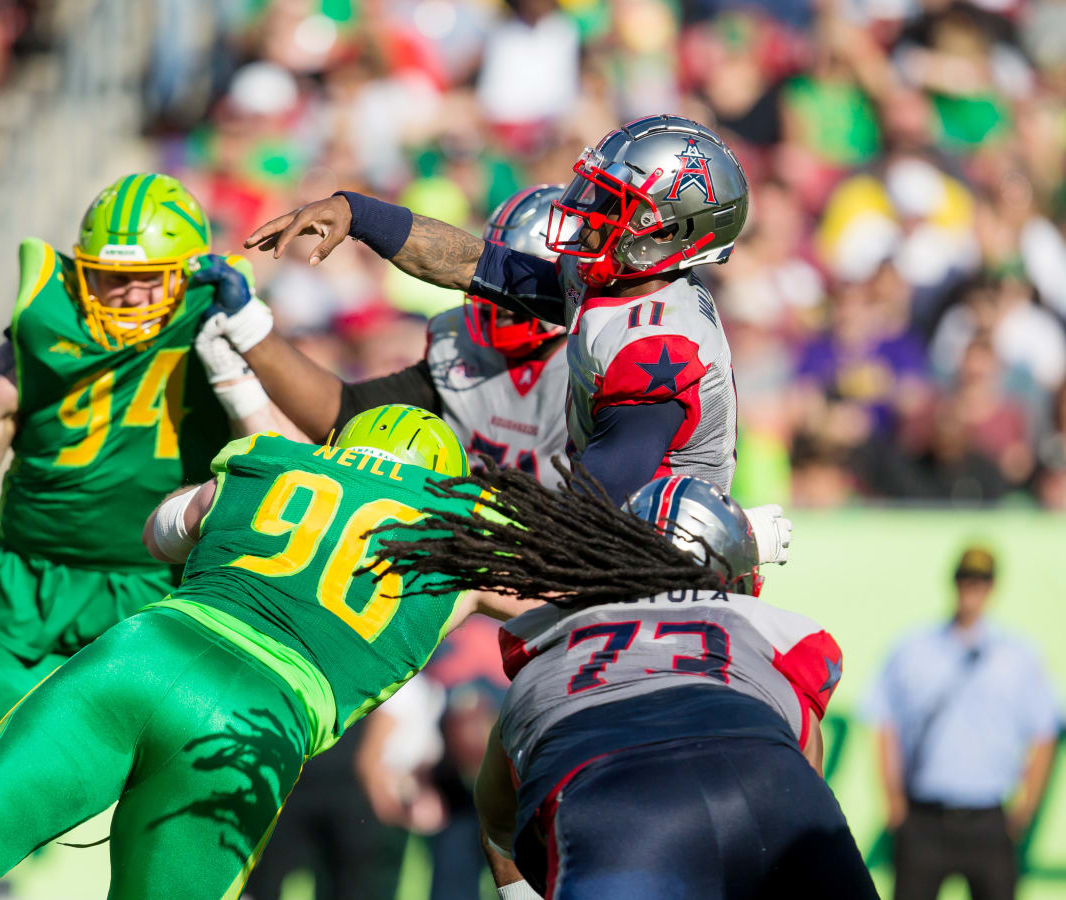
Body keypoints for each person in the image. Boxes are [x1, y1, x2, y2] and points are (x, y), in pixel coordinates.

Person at [0, 405, 536, 900]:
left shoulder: (274, 459)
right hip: (254, 724)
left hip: (141, 655)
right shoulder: (468, 533)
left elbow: (164, 530)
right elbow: (573, 607)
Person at [0, 172, 279, 764]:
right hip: (26, 590)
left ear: (188, 277)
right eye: (113, 278)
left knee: (170, 802)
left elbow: (284, 467)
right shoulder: (33, 346)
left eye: (148, 278)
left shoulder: (223, 334)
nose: (130, 296)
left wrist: (240, 370)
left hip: (161, 590)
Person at [369, 462, 878, 900]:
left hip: (617, 806)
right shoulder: (773, 630)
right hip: (767, 782)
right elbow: (802, 765)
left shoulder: (546, 645)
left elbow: (499, 824)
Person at [240, 114, 750, 502]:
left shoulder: (657, 347)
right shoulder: (618, 284)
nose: (591, 209)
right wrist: (357, 213)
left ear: (668, 229)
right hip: (608, 549)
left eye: (615, 202)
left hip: (657, 579)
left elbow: (597, 505)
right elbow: (473, 264)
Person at [216, 183, 572, 488]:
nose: (501, 299)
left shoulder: (593, 360)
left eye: (520, 280)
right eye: (498, 281)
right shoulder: (463, 341)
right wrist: (250, 330)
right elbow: (346, 414)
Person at [861, 546, 1060, 900]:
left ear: (992, 587)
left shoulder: (1017, 655)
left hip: (988, 818)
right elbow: (882, 721)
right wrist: (893, 800)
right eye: (967, 580)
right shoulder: (914, 648)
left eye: (981, 582)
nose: (973, 590)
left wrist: (1026, 808)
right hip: (925, 817)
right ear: (954, 583)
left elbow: (1044, 731)